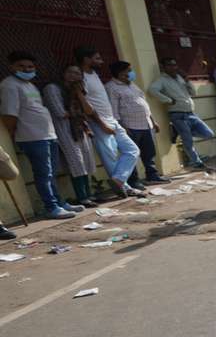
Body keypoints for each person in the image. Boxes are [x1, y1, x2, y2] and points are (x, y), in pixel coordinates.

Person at [1, 51, 79, 218]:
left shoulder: (30, 85)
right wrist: (13, 133)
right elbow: (9, 114)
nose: (27, 69)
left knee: (51, 172)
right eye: (21, 66)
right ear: (11, 67)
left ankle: (59, 202)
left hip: (48, 135)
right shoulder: (10, 85)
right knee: (43, 173)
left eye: (30, 67)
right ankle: (51, 207)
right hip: (32, 137)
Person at [77, 46, 144, 197]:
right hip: (98, 122)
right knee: (110, 156)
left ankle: (118, 180)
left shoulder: (94, 74)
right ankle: (125, 187)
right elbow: (86, 106)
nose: (101, 61)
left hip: (111, 119)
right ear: (86, 59)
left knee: (132, 150)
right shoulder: (81, 77)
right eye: (97, 58)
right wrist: (101, 124)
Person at [42, 65, 99, 207]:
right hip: (65, 130)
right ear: (63, 73)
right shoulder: (53, 88)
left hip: (80, 128)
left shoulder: (77, 89)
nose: (74, 75)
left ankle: (88, 195)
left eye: (78, 73)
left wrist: (79, 95)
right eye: (70, 72)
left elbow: (89, 110)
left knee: (86, 161)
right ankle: (82, 197)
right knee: (76, 163)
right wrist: (78, 113)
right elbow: (60, 112)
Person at [105, 61, 167, 187]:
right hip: (130, 126)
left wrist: (153, 121)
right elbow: (114, 110)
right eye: (128, 70)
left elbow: (144, 103)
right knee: (132, 155)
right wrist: (122, 126)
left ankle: (152, 175)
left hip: (146, 124)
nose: (131, 73)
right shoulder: (111, 87)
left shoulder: (132, 85)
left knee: (149, 153)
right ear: (119, 72)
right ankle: (134, 181)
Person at [148, 56, 213, 170]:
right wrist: (168, 100)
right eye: (169, 65)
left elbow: (193, 92)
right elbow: (152, 90)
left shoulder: (180, 78)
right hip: (178, 114)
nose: (173, 67)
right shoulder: (162, 80)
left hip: (190, 113)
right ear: (163, 67)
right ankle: (196, 162)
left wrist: (187, 80)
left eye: (174, 65)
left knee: (208, 133)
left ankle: (178, 132)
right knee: (188, 140)